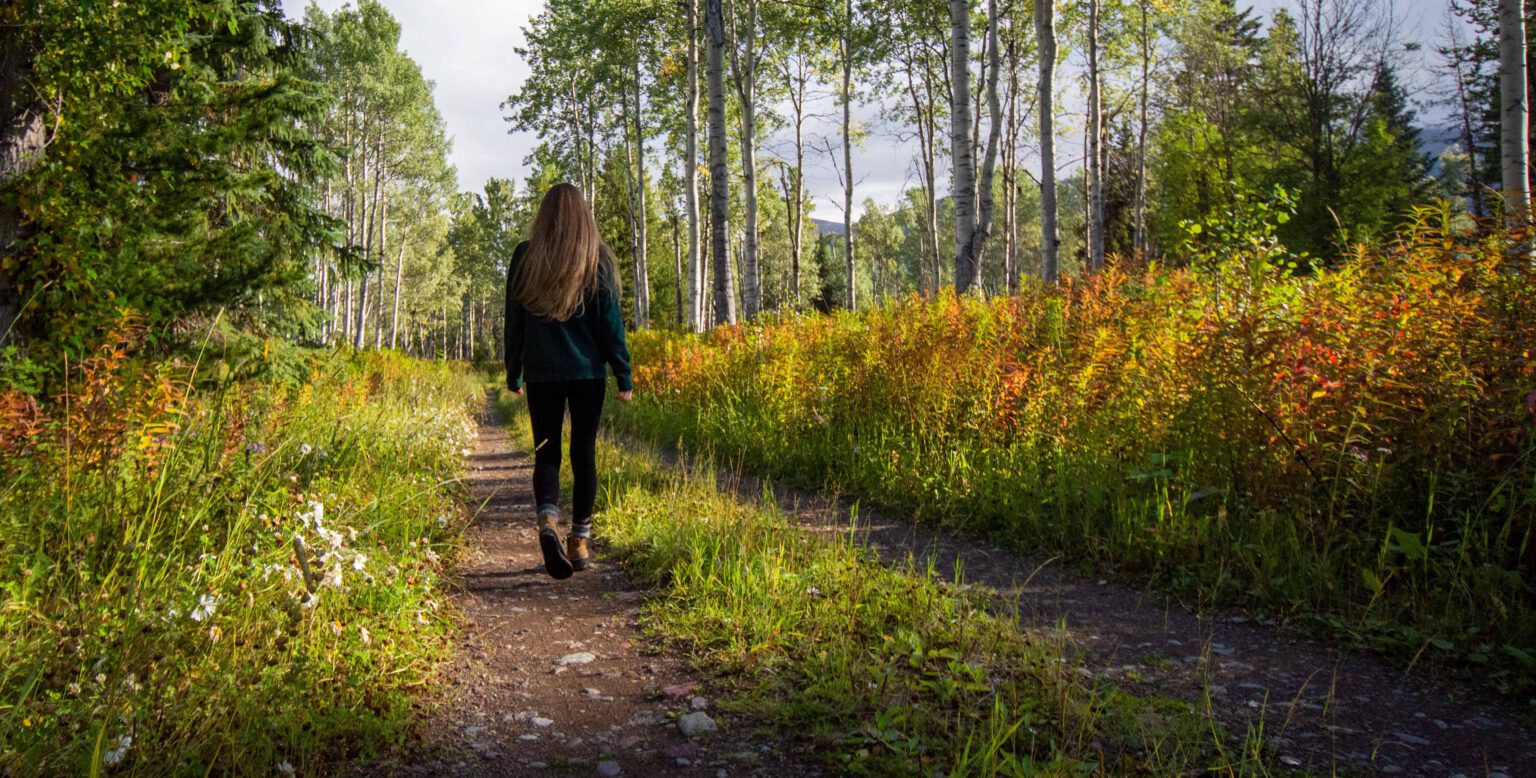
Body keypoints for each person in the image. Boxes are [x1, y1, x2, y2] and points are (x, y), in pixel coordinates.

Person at [504, 183, 633, 580]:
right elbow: (610, 325)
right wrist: (622, 372)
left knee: (546, 453)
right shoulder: (597, 260)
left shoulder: (526, 256)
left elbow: (514, 322)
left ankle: (547, 521)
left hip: (543, 372)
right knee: (584, 453)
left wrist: (515, 370)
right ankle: (579, 540)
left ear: (544, 215)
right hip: (587, 374)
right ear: (583, 215)